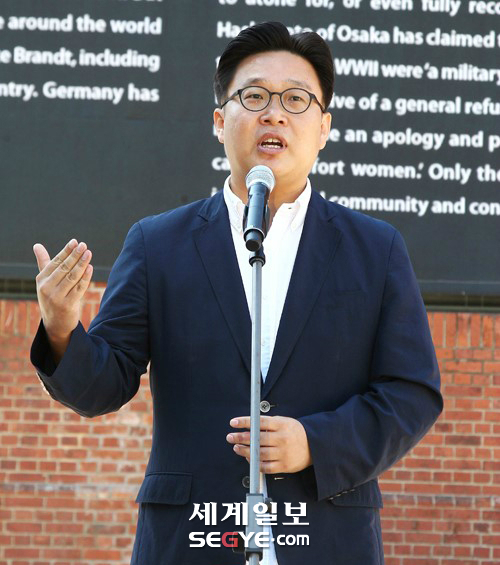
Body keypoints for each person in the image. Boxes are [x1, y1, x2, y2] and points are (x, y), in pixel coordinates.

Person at [31, 21, 442, 565]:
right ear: (220, 121)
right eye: (254, 97)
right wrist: (62, 327)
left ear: (323, 128)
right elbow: (102, 386)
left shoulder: (375, 248)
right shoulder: (158, 243)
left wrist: (316, 443)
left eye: (296, 99)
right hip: (191, 540)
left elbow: (411, 393)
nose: (275, 113)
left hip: (326, 538)